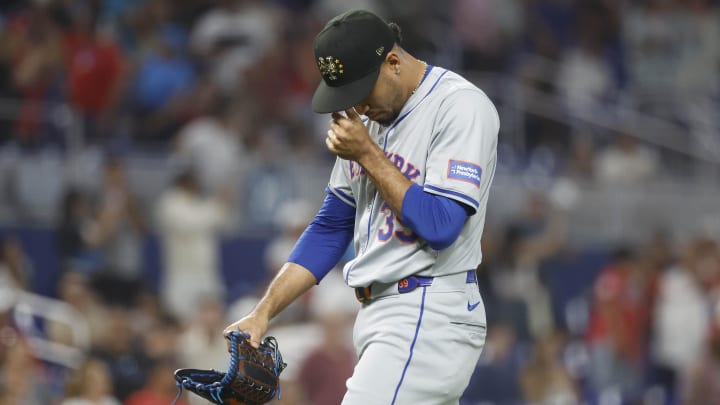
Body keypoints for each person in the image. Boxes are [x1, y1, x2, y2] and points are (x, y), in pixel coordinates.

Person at [224, 9, 499, 404]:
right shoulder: (367, 126)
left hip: (427, 308)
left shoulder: (459, 106)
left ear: (392, 62)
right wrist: (264, 312)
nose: (357, 107)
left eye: (361, 91)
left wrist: (367, 153)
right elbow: (330, 227)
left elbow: (441, 225)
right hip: (380, 316)